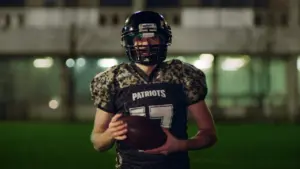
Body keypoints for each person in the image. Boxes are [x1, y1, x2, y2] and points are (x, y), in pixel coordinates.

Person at [90, 10, 217, 169]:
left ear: (163, 40)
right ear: (130, 41)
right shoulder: (112, 80)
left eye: (153, 37)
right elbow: (98, 142)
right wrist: (110, 135)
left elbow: (209, 134)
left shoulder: (183, 75)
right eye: (139, 38)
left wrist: (181, 145)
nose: (146, 44)